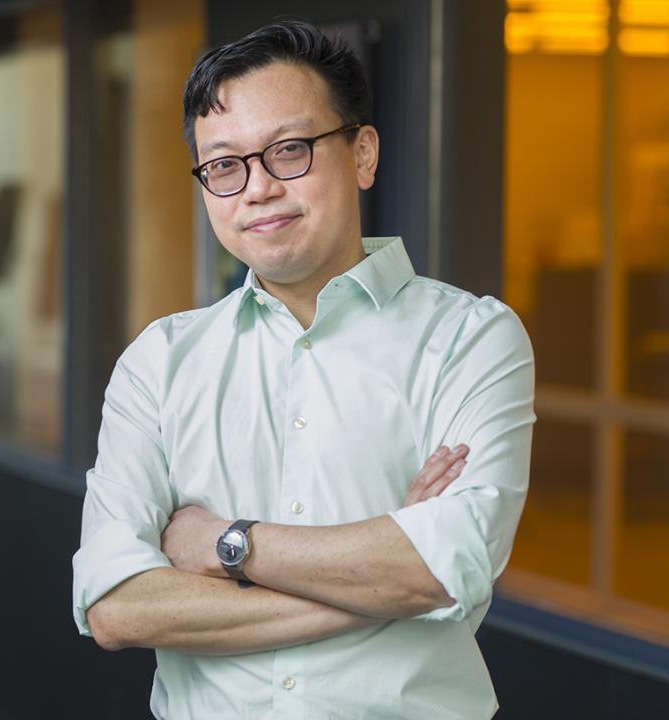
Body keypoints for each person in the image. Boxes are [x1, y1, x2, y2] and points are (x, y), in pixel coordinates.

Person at [72, 19, 535, 720]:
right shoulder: (160, 362)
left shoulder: (471, 339)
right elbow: (116, 606)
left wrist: (226, 544)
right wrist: (376, 582)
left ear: (364, 153)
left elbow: (443, 566)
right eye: (224, 165)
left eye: (289, 150)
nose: (255, 188)